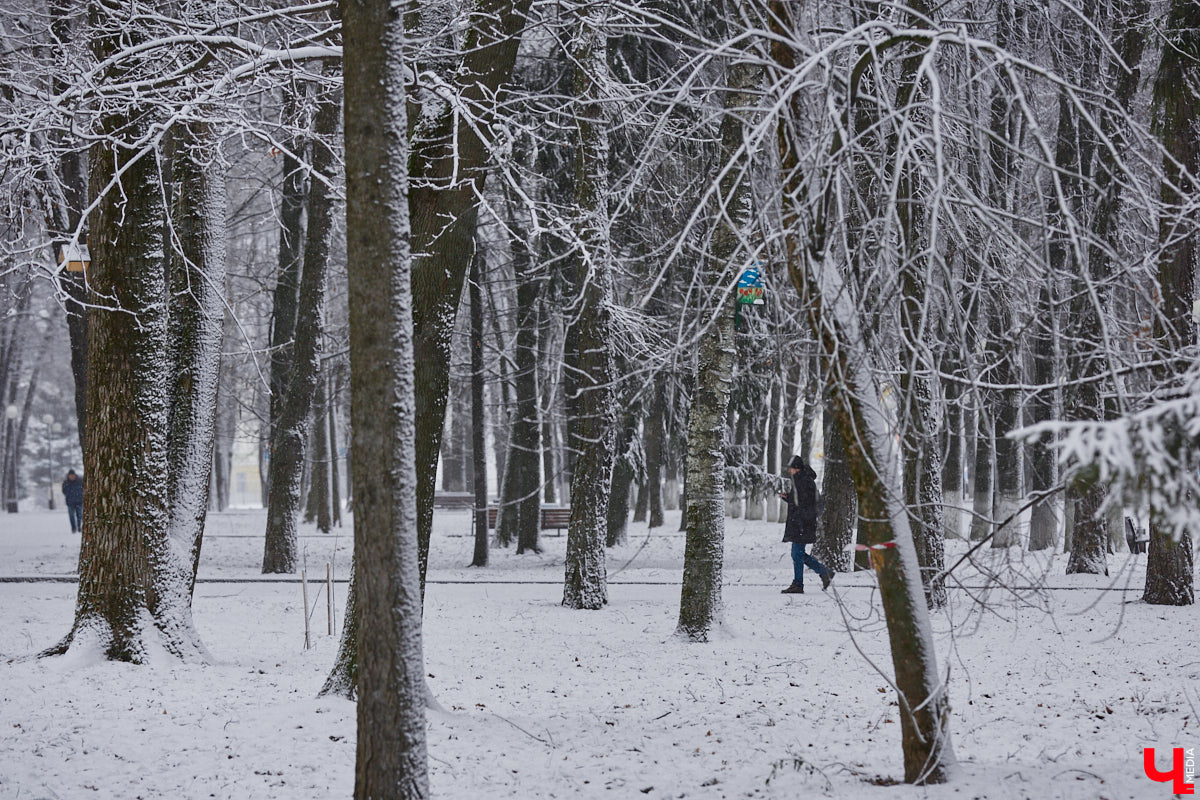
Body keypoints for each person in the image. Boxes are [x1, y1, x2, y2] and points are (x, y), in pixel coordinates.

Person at [778, 455, 832, 594]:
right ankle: (824, 573)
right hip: (800, 522)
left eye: (791, 468)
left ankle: (799, 583)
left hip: (803, 523)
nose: (789, 471)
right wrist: (788, 497)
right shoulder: (800, 480)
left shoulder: (804, 481)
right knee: (798, 554)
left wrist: (802, 519)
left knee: (797, 554)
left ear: (796, 468)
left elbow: (806, 504)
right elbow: (799, 501)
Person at [62, 469, 83, 533]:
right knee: (71, 516)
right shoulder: (66, 482)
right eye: (70, 476)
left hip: (79, 501)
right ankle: (73, 528)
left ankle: (79, 526)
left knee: (79, 515)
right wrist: (69, 495)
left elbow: (83, 490)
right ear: (68, 476)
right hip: (70, 502)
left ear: (75, 475)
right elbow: (64, 491)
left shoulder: (80, 481)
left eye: (73, 475)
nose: (72, 477)